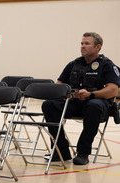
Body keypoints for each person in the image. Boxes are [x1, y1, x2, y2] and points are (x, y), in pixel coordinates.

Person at [42, 32, 120, 165]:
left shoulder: (107, 65)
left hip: (98, 105)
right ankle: (60, 151)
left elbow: (113, 90)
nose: (83, 46)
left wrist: (92, 94)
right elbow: (59, 85)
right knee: (49, 105)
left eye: (87, 44)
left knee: (94, 105)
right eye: (82, 43)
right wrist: (66, 94)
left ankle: (83, 152)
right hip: (75, 104)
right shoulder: (73, 64)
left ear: (98, 47)